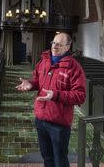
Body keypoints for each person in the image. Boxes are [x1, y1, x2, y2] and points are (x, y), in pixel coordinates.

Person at [16, 32, 86, 167]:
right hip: (41, 119)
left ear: (67, 47)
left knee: (60, 160)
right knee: (47, 158)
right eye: (54, 42)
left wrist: (56, 95)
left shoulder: (74, 67)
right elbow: (37, 80)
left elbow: (80, 96)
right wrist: (30, 84)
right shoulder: (44, 61)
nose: (55, 46)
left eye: (59, 44)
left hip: (58, 123)